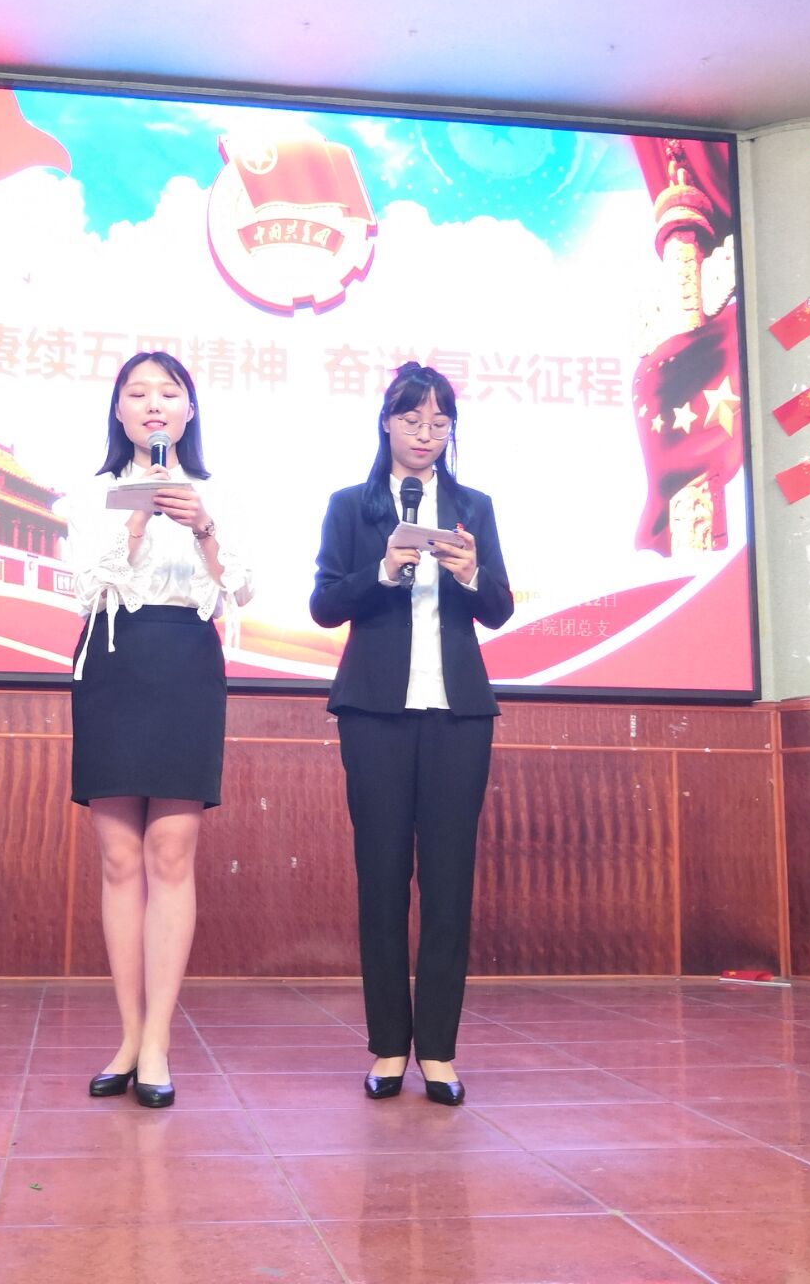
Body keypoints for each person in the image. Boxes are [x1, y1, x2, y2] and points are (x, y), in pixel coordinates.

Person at [310, 361, 514, 1105]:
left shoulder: (473, 507)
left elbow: (499, 608)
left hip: (459, 713)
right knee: (382, 878)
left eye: (439, 422)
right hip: (375, 713)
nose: (426, 434)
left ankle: (440, 1052)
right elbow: (325, 605)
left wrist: (470, 573)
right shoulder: (350, 506)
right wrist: (383, 569)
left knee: (450, 882)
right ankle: (389, 1046)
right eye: (412, 420)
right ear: (387, 424)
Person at [65, 350, 252, 1108]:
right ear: (118, 411)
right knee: (119, 859)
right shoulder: (95, 493)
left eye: (167, 393)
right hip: (113, 659)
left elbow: (241, 588)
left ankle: (158, 1043)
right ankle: (127, 1033)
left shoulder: (215, 492)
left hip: (184, 663)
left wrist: (203, 526)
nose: (152, 405)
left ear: (188, 410)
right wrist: (135, 523)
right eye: (137, 393)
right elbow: (83, 588)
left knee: (171, 853)